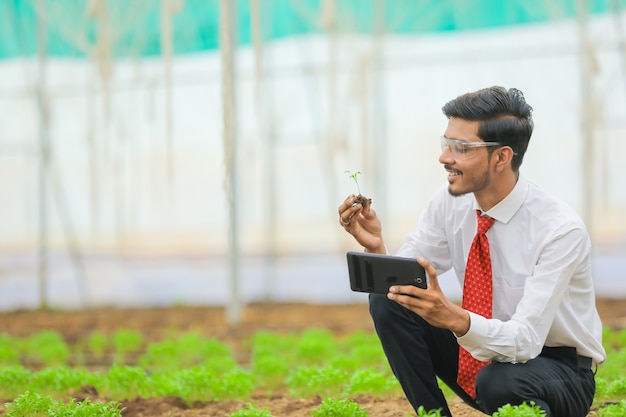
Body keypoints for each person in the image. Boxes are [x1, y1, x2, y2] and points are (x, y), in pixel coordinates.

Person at [337, 86, 606, 417]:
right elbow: (406, 277)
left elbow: (526, 340)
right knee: (389, 301)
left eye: (461, 148)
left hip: (558, 371)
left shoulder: (560, 230)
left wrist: (453, 317)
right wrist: (376, 248)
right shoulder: (450, 202)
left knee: (500, 381)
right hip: (483, 355)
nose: (444, 157)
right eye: (445, 143)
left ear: (502, 157)